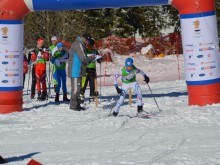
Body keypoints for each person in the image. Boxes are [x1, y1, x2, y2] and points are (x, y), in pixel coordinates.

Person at [68, 33, 96, 111]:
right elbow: (83, 59)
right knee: (76, 89)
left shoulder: (80, 44)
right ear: (85, 40)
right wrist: (91, 58)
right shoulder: (78, 45)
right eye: (89, 41)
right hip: (75, 70)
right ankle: (73, 106)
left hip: (78, 70)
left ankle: (77, 104)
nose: (89, 43)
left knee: (78, 88)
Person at [80, 38, 101, 103]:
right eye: (87, 45)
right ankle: (81, 95)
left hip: (92, 69)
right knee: (84, 84)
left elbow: (99, 59)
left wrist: (99, 59)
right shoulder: (85, 51)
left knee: (92, 84)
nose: (88, 46)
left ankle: (91, 96)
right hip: (85, 69)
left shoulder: (95, 51)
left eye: (90, 45)